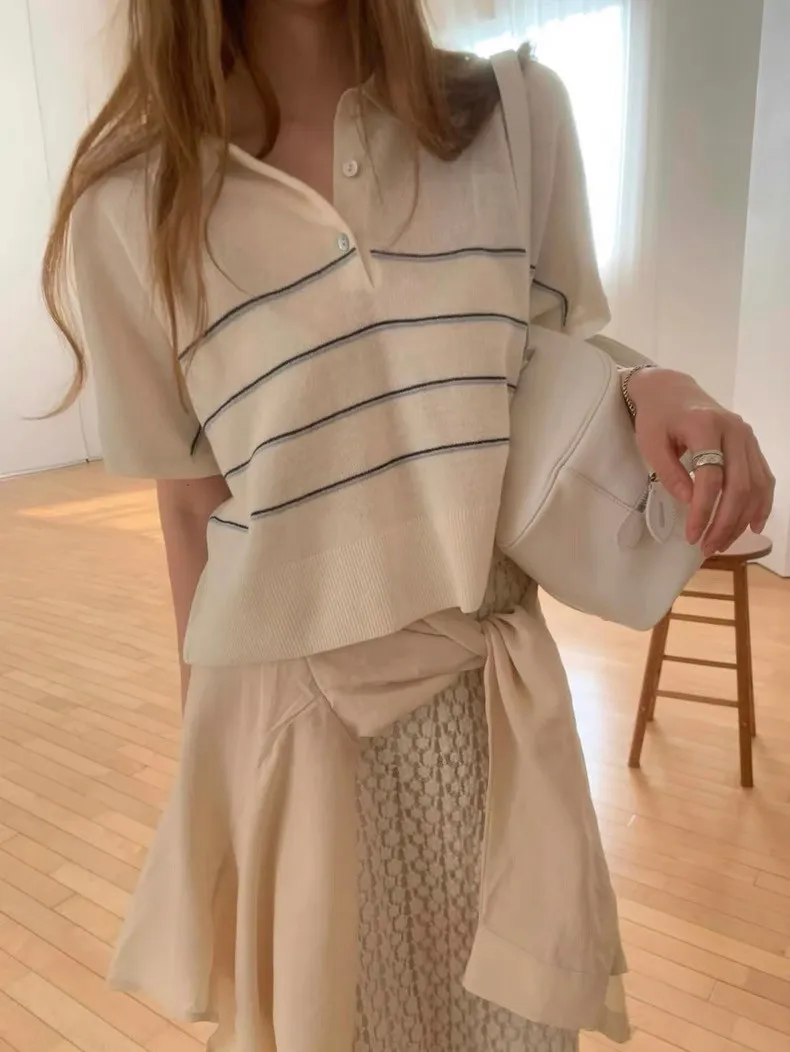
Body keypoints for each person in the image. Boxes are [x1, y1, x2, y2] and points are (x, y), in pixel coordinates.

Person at [43, 2, 774, 1051]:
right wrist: (215, 785)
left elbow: (535, 369)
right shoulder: (133, 202)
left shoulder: (517, 116)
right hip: (295, 736)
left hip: (493, 724)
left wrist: (656, 383)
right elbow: (192, 507)